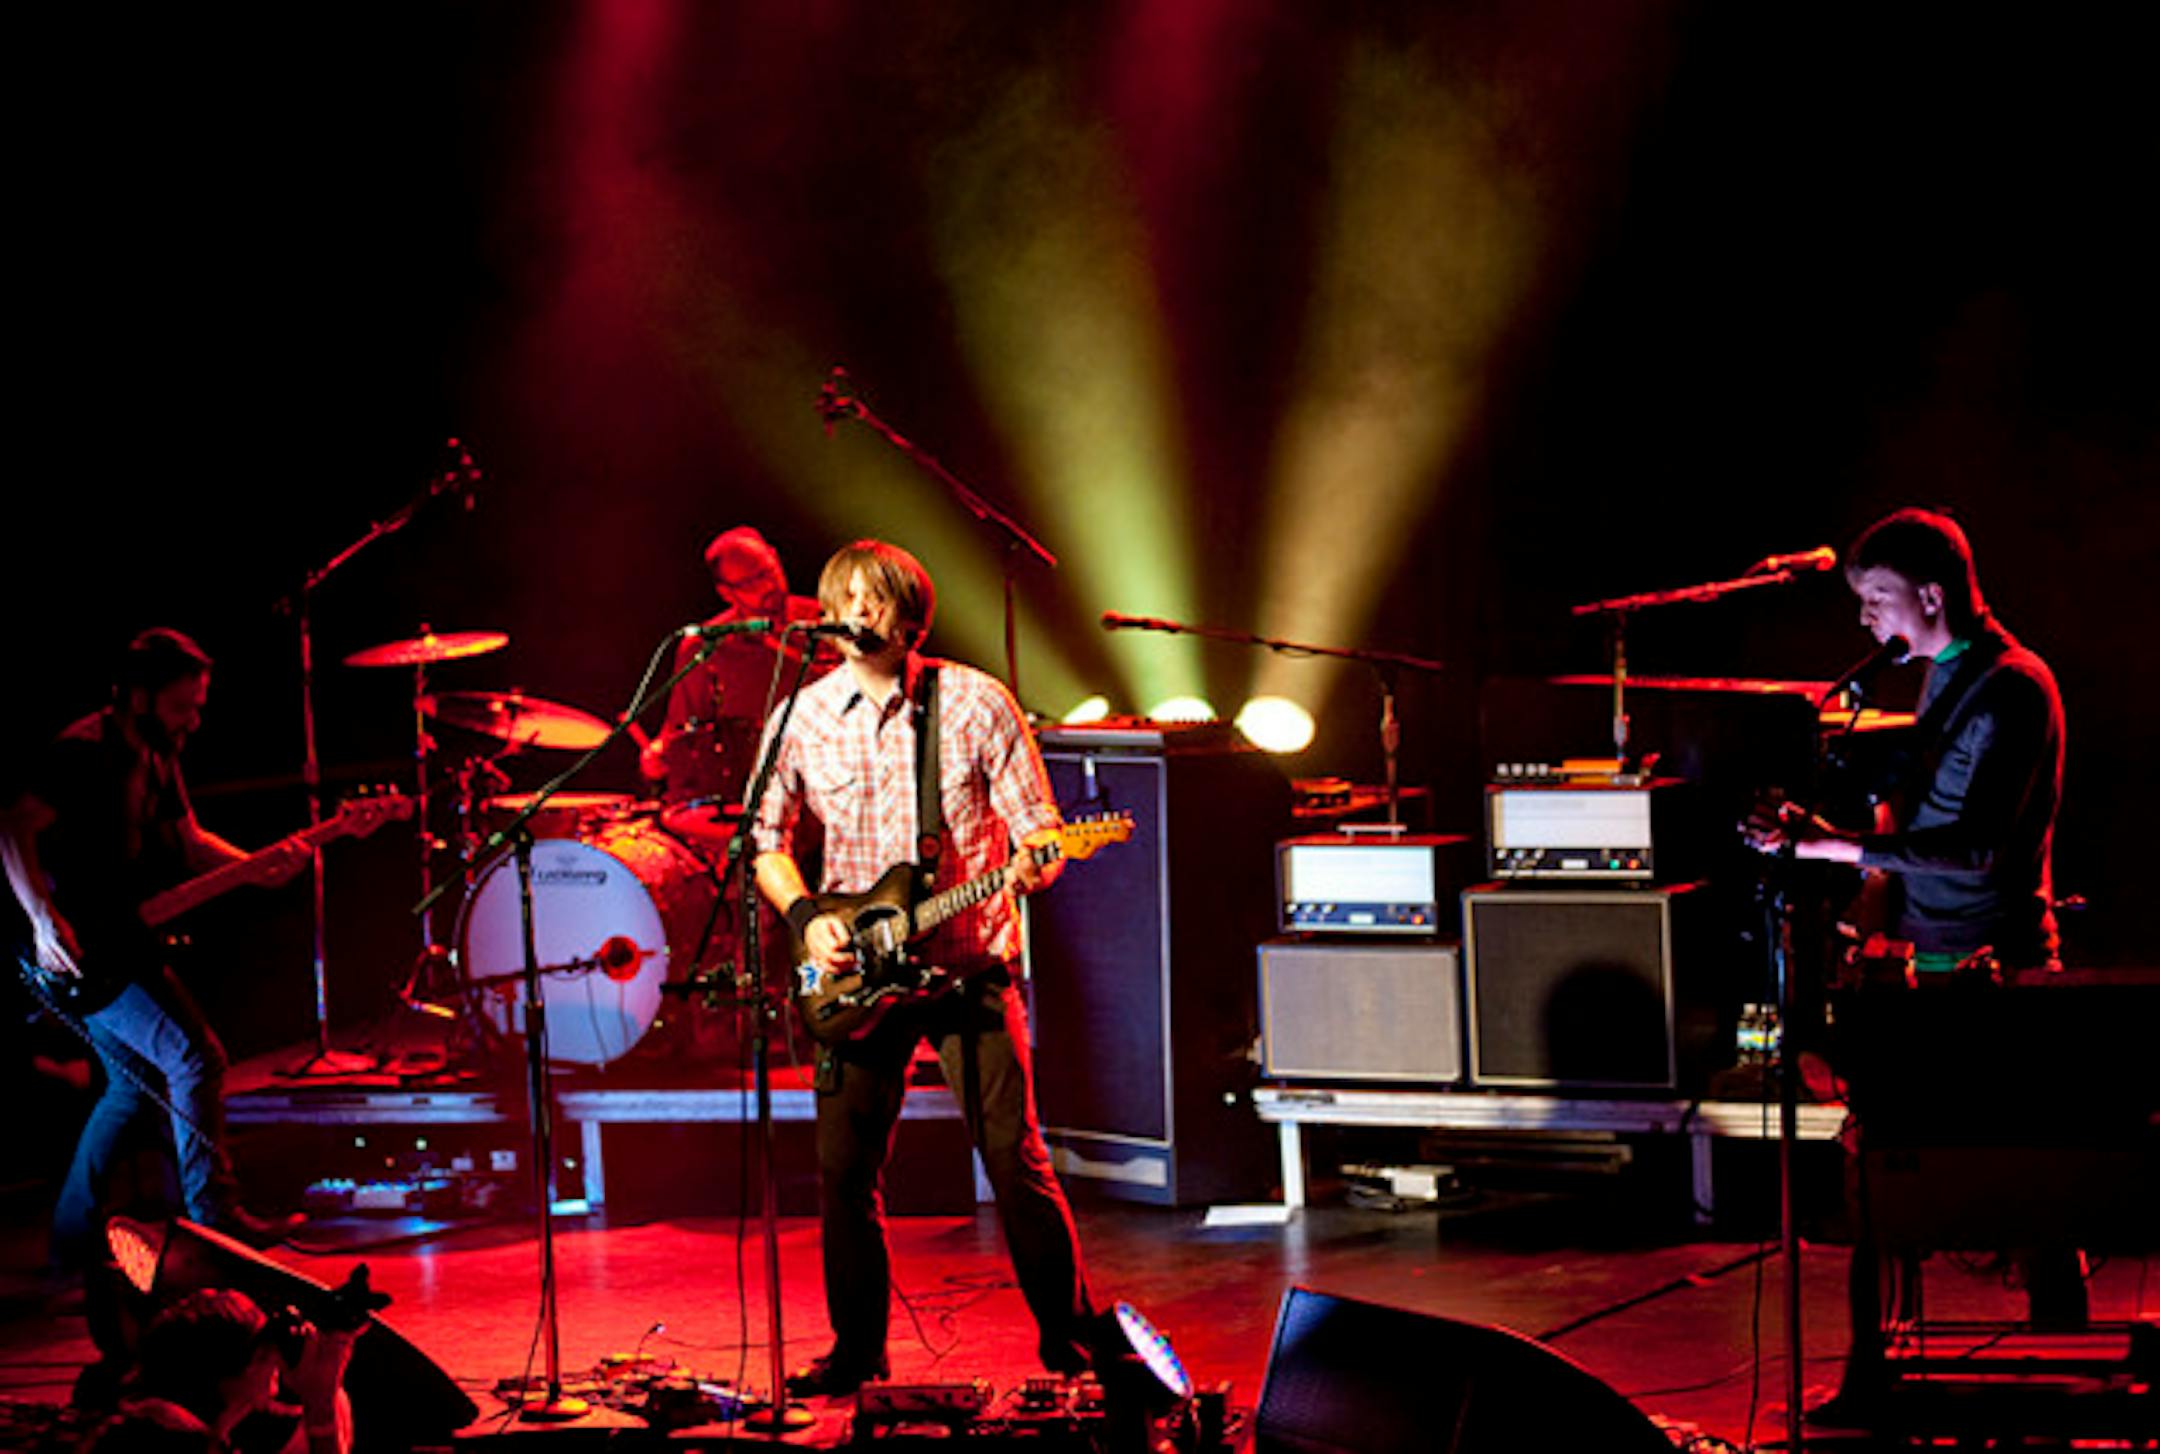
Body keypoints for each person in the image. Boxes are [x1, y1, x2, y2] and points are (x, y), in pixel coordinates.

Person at [1752, 507, 2080, 1422]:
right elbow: (1921, 815)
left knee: (2040, 1187)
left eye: (1878, 597)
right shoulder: (1944, 675)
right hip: (1925, 968)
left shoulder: (2015, 688)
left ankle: (2070, 1374)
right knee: (1883, 1178)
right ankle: (1871, 1378)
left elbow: (1977, 850)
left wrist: (1831, 847)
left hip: (1999, 972)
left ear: (1931, 595)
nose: (1865, 618)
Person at [750, 539, 1096, 1397]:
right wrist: (806, 920)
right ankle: (856, 1353)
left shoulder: (975, 702)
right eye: (844, 599)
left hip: (968, 967)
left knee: (1014, 1158)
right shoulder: (800, 717)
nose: (856, 614)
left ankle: (1073, 1342)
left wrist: (1038, 861)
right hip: (856, 977)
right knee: (844, 1174)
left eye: (874, 599)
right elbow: (764, 842)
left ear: (911, 618)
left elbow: (1041, 835)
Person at [3, 629, 307, 1267]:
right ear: (139, 696)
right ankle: (216, 1220)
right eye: (182, 706)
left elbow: (190, 840)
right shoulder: (82, 751)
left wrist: (257, 866)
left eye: (198, 706)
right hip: (79, 951)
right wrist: (43, 919)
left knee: (130, 1088)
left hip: (121, 940)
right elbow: (12, 828)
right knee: (197, 1060)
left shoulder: (158, 751)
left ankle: (69, 1243)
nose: (193, 721)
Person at [639, 526, 829, 815]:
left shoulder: (826, 623)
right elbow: (682, 733)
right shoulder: (705, 647)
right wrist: (661, 754)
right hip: (746, 801)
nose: (767, 586)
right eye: (750, 582)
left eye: (767, 571)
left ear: (775, 556)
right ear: (726, 593)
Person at [84, 1287, 358, 1453]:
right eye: (261, 1355)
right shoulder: (174, 1441)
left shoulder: (153, 1420)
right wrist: (321, 1407)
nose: (273, 1360)